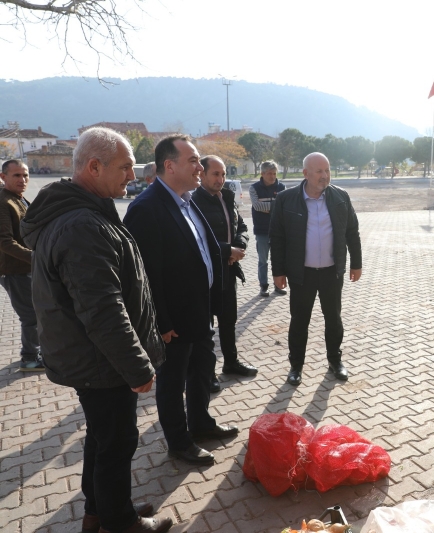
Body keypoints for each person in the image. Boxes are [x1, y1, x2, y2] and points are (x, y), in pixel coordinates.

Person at [19, 127, 172, 533]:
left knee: (103, 439)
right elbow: (103, 310)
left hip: (93, 358)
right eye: (125, 167)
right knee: (117, 443)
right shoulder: (82, 225)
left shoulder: (85, 212)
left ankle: (99, 511)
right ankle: (119, 522)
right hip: (102, 362)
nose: (132, 176)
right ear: (93, 167)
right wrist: (137, 367)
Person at [125, 134, 237, 466]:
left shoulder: (187, 200)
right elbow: (145, 276)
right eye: (193, 161)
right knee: (173, 382)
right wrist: (161, 322)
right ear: (169, 166)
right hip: (173, 320)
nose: (199, 167)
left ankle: (201, 424)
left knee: (202, 369)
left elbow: (203, 248)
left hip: (199, 311)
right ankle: (179, 441)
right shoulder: (146, 208)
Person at [270, 152, 362, 386]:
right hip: (302, 274)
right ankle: (296, 366)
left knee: (334, 319)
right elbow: (277, 237)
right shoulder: (286, 199)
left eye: (327, 170)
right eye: (319, 171)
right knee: (299, 321)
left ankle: (335, 361)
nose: (325, 175)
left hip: (332, 272)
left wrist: (356, 263)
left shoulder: (340, 197)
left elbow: (352, 231)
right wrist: (278, 271)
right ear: (305, 173)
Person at [193, 155, 257, 392]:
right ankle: (208, 374)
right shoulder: (194, 202)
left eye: (223, 174)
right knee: (206, 327)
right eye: (215, 174)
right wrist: (226, 250)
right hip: (207, 274)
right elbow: (197, 240)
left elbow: (241, 226)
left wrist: (238, 246)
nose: (220, 179)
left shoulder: (227, 198)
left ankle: (231, 363)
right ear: (202, 174)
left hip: (229, 271)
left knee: (228, 320)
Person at [0, 159, 44, 371]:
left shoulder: (18, 198)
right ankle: (30, 358)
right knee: (30, 315)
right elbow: (5, 241)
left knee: (38, 312)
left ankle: (37, 352)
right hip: (15, 270)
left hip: (27, 268)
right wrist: (36, 257)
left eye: (25, 175)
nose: (23, 179)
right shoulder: (3, 202)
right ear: (3, 177)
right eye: (16, 175)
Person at [250, 160, 285, 297]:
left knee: (278, 259)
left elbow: (285, 206)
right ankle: (263, 286)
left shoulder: (281, 187)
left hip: (278, 230)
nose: (272, 176)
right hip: (262, 231)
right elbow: (257, 206)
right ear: (262, 173)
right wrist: (276, 206)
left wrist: (268, 207)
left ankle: (278, 285)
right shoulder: (254, 188)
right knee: (263, 261)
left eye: (274, 173)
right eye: (269, 173)